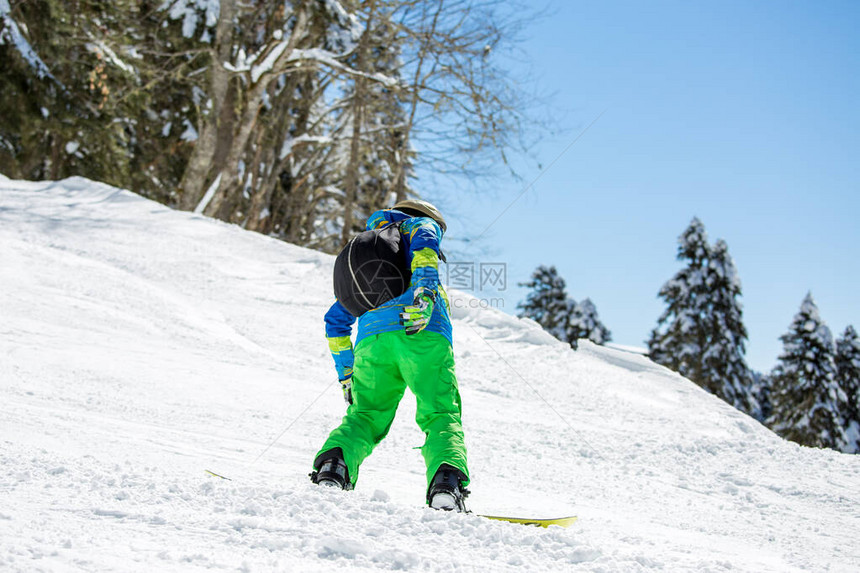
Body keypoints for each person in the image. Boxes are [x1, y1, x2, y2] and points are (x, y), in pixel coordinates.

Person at [310, 199, 470, 512]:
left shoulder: (374, 256)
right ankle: (445, 488)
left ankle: (333, 469)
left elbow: (335, 321)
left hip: (373, 344)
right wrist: (424, 294)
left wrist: (346, 374)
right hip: (422, 332)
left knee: (365, 415)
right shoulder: (419, 225)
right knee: (440, 412)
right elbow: (426, 248)